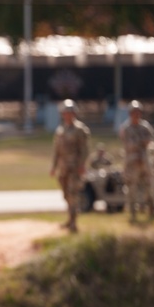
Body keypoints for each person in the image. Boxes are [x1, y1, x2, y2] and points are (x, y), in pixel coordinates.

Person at [49, 99, 90, 233]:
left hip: (75, 167)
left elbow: (84, 149)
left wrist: (82, 165)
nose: (68, 115)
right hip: (63, 168)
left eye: (70, 112)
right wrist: (54, 167)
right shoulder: (60, 130)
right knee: (66, 194)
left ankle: (73, 222)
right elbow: (57, 151)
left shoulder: (80, 130)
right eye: (66, 113)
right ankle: (69, 218)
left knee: (73, 194)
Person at [120, 100, 154, 223]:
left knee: (149, 186)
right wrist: (139, 143)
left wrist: (139, 143)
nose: (136, 115)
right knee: (132, 188)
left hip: (145, 161)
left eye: (138, 112)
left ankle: (152, 209)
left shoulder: (145, 127)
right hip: (132, 162)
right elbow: (129, 144)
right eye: (134, 112)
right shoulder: (126, 128)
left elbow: (150, 139)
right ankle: (133, 212)